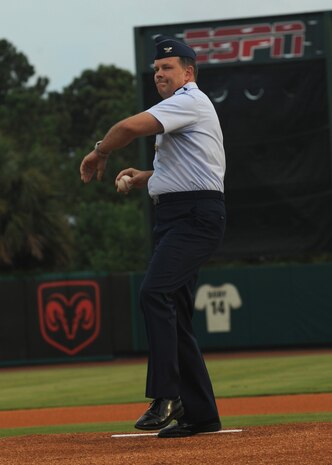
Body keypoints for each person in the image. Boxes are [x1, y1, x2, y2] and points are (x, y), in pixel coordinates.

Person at [80, 35, 226, 438]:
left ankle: (167, 396)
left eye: (168, 67)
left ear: (188, 72)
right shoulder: (178, 109)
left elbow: (127, 127)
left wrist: (101, 153)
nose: (160, 73)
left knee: (153, 293)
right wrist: (145, 176)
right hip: (180, 215)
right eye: (157, 69)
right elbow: (188, 172)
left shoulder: (190, 100)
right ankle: (201, 414)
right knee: (174, 313)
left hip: (195, 217)